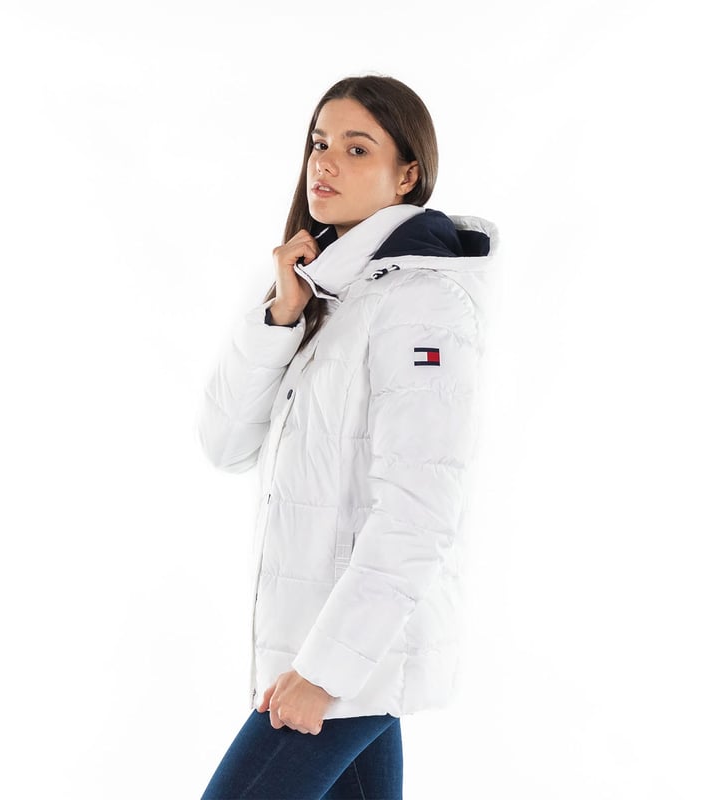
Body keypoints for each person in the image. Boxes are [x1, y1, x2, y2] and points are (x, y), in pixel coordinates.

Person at [195, 74, 499, 799]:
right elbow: (225, 445)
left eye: (357, 148)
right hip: (318, 652)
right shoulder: (327, 294)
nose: (325, 163)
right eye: (319, 143)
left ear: (407, 176)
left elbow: (418, 513)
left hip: (348, 660)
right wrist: (280, 317)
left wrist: (325, 671)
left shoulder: (422, 303)